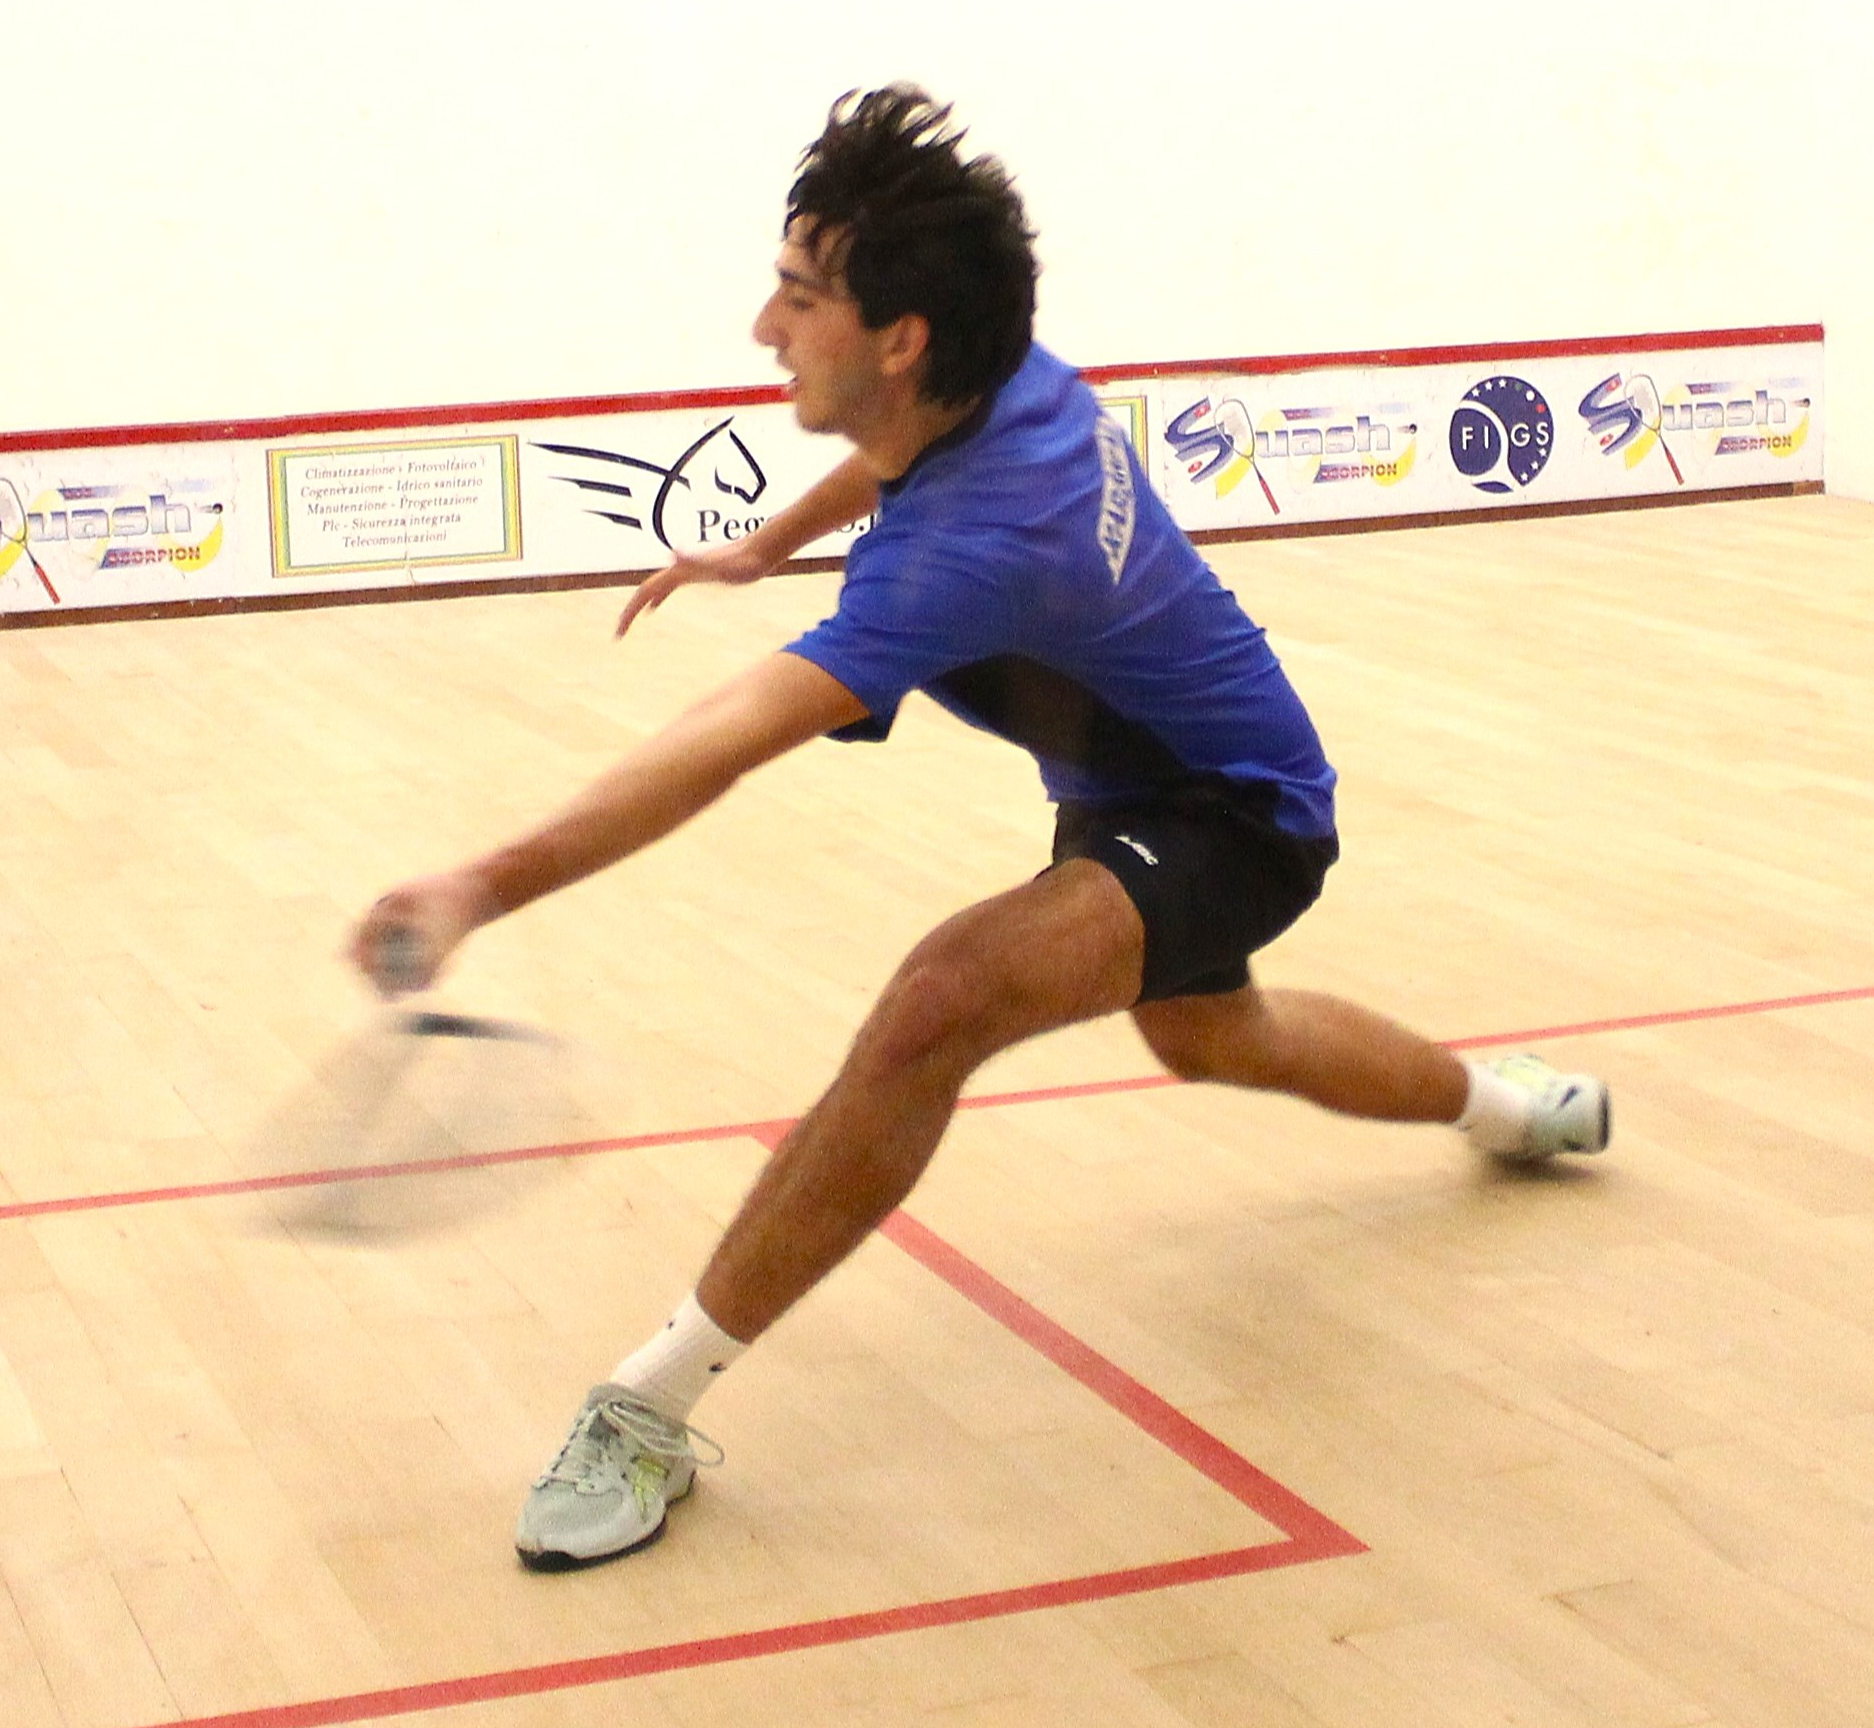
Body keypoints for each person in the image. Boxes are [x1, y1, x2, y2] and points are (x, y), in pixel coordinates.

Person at [351, 86, 1608, 1570]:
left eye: (799, 297)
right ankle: (1509, 1108)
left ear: (900, 336)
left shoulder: (979, 550)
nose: (764, 326)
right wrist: (764, 546)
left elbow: (721, 743)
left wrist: (479, 887)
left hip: (1240, 815)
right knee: (1220, 1036)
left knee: (938, 1002)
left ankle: (649, 1406)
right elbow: (888, 456)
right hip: (1139, 794)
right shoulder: (1002, 380)